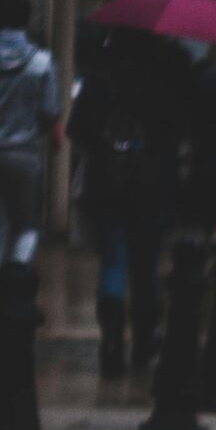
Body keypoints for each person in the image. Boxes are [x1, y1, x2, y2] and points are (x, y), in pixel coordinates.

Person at [69, 26, 187, 374]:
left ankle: (111, 340)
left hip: (106, 185)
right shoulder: (163, 79)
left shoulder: (101, 79)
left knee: (114, 261)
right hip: (151, 187)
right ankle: (144, 339)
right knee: (146, 266)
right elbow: (179, 130)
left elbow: (79, 131)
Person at [0, 0, 60, 289]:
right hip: (24, 152)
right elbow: (50, 112)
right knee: (26, 225)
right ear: (27, 19)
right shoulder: (41, 62)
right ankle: (16, 283)